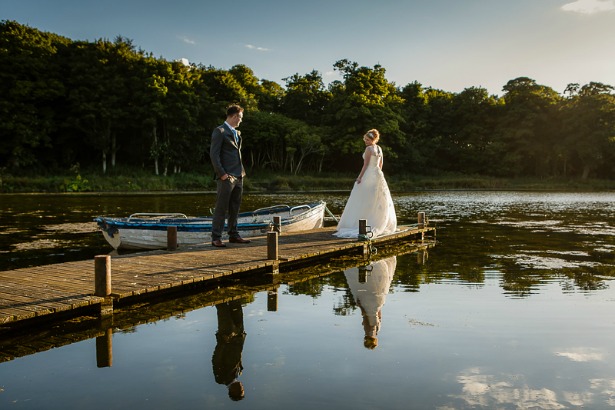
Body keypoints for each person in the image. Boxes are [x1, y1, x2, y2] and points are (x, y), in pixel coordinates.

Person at [334, 129, 397, 238]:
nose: (366, 142)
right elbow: (381, 164)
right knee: (376, 199)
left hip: (368, 174)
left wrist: (359, 177)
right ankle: (375, 221)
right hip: (377, 174)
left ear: (373, 139)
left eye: (367, 140)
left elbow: (365, 165)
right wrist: (378, 174)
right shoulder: (379, 148)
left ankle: (358, 222)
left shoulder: (368, 149)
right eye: (365, 140)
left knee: (362, 198)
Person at [210, 104, 251, 247]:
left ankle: (233, 235)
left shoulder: (237, 133)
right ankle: (216, 237)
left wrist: (241, 174)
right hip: (226, 177)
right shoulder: (219, 131)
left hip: (239, 175)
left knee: (235, 207)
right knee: (221, 208)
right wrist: (222, 174)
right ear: (234, 116)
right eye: (240, 117)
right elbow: (214, 155)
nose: (241, 120)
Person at [344, 256, 397, 349]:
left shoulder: (377, 330)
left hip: (377, 303)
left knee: (372, 286)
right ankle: (368, 267)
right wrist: (360, 306)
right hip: (370, 305)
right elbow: (367, 316)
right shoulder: (370, 330)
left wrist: (380, 305)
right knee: (366, 288)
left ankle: (369, 267)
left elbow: (378, 314)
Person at [212, 299, 246, 401]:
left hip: (227, 336)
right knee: (236, 305)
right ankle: (232, 287)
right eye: (243, 390)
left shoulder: (221, 378)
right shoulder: (238, 373)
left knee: (223, 309)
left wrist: (223, 342)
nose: (242, 387)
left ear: (232, 391)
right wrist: (242, 336)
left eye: (240, 391)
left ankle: (217, 289)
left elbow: (216, 359)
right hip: (239, 335)